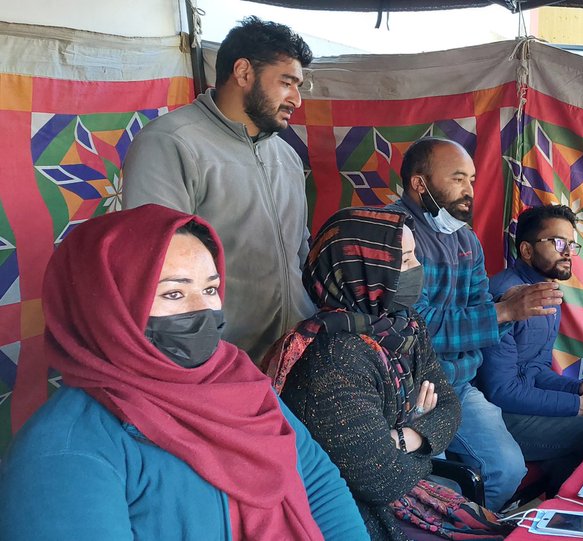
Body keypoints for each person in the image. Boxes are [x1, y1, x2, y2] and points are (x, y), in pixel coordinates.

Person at [0, 205, 366, 540]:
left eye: (210, 288)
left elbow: (318, 483)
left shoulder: (239, 383)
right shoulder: (67, 454)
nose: (204, 310)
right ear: (105, 307)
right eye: (174, 294)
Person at [262, 206, 511, 540]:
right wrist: (416, 428)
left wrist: (405, 437)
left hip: (405, 493)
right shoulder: (333, 357)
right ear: (362, 269)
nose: (416, 270)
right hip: (365, 518)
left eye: (414, 258)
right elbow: (382, 480)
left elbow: (450, 406)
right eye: (404, 260)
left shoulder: (405, 324)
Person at [121, 16, 315, 362]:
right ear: (243, 73)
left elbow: (299, 251)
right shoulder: (171, 143)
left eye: (299, 86)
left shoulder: (287, 156)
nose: (296, 99)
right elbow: (159, 270)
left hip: (293, 357)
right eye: (287, 82)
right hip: (222, 364)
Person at [385, 137, 563, 511]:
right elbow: (414, 329)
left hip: (459, 385)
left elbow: (481, 308)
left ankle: (462, 526)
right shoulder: (393, 234)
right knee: (424, 486)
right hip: (409, 392)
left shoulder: (466, 240)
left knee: (506, 470)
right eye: (458, 179)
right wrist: (502, 312)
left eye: (472, 179)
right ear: (420, 184)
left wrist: (504, 311)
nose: (469, 190)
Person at [478, 205, 583, 498]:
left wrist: (577, 389)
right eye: (558, 243)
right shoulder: (505, 298)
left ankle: (552, 514)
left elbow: (535, 370)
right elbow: (499, 391)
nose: (567, 252)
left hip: (517, 404)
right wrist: (579, 406)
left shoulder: (546, 293)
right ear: (526, 250)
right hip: (495, 415)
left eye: (571, 244)